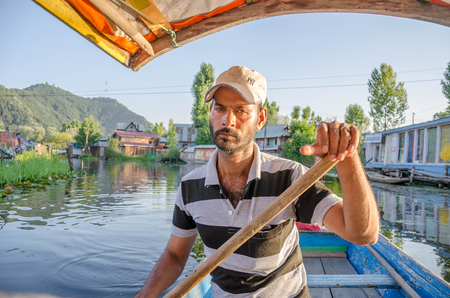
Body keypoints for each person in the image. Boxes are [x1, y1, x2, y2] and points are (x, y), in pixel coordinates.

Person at [135, 66, 379, 298]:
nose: (227, 121)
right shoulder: (190, 187)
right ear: (210, 113)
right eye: (219, 108)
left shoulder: (290, 177)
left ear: (260, 119)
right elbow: (175, 256)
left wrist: (347, 159)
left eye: (241, 110)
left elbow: (363, 234)